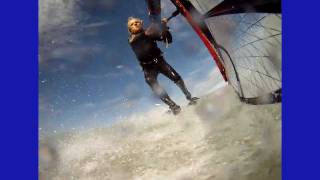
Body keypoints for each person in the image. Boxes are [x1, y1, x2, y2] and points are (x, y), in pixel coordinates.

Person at [127, 17, 198, 115]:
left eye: (137, 22)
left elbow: (168, 40)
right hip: (148, 69)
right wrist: (158, 25)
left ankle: (189, 97)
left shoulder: (149, 33)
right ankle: (173, 107)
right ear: (130, 30)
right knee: (152, 83)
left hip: (159, 62)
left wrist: (164, 30)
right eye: (132, 24)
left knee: (176, 78)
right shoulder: (131, 39)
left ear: (141, 23)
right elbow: (140, 37)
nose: (135, 24)